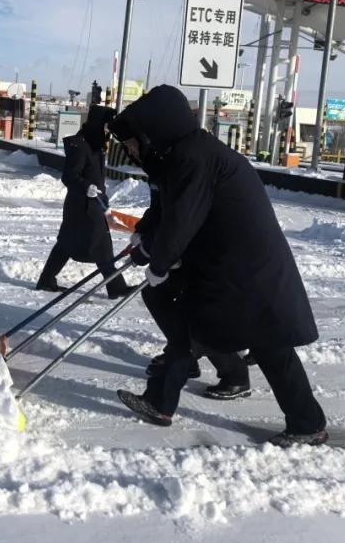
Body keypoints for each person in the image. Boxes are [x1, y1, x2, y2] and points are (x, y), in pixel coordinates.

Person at [109, 85, 327, 448]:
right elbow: (167, 209)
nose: (131, 151)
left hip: (246, 270)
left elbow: (182, 219)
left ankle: (305, 423)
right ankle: (162, 401)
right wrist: (145, 237)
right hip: (229, 265)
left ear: (152, 132)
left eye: (132, 143)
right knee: (203, 328)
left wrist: (159, 260)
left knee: (250, 341)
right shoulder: (181, 155)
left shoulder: (193, 157)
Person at [37, 105, 133, 299]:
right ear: (98, 125)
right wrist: (85, 187)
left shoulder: (95, 145)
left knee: (66, 243)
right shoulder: (81, 146)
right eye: (107, 127)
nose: (108, 131)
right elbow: (69, 176)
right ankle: (115, 286)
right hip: (82, 206)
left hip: (90, 204)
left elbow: (95, 176)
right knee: (102, 245)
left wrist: (101, 198)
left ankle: (46, 279)